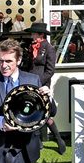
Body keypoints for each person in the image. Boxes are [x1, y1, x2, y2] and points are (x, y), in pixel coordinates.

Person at [25, 22, 65, 154]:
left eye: (33, 33)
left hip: (42, 85)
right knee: (32, 112)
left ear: (40, 35)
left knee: (45, 113)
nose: (32, 35)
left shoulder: (49, 48)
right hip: (30, 83)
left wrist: (38, 82)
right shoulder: (31, 47)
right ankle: (38, 142)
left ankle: (59, 139)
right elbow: (29, 66)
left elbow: (50, 71)